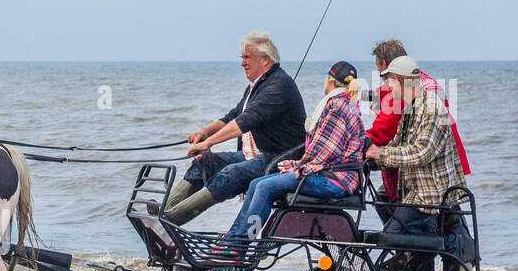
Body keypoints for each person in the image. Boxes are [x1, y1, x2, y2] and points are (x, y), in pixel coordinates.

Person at [154, 31, 306, 224]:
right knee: (204, 162)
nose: (242, 63)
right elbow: (234, 115)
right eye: (242, 57)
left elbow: (248, 120)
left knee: (231, 174)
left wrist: (208, 142)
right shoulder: (257, 86)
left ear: (265, 60)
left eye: (247, 57)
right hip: (255, 155)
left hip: (279, 159)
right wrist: (204, 132)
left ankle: (172, 218)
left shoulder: (280, 85)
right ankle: (164, 210)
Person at [368, 40, 474, 271]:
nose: (386, 86)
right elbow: (396, 143)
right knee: (422, 241)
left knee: (400, 236)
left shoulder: (428, 106)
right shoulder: (411, 103)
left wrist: (378, 151)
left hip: (431, 188)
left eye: (389, 80)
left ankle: (456, 258)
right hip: (421, 184)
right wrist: (373, 158)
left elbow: (420, 152)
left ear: (402, 80)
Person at [222, 62, 367, 241]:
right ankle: (234, 238)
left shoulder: (338, 107)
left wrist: (296, 166)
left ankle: (242, 242)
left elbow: (324, 152)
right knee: (256, 184)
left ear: (329, 80)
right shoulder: (340, 104)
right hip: (327, 174)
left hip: (334, 180)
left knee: (265, 187)